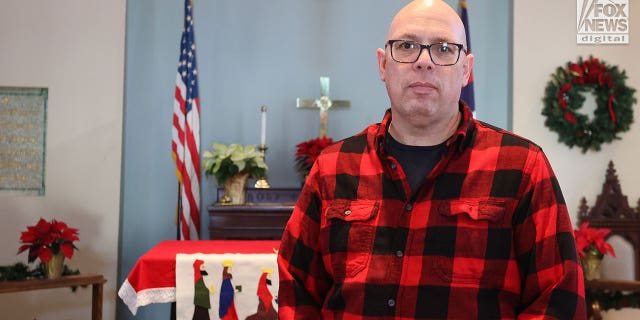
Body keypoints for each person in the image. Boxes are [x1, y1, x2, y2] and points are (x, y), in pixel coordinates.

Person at [277, 0, 586, 319]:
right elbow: (296, 288)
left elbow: (558, 298)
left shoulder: (522, 166)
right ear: (383, 65)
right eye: (407, 46)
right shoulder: (332, 167)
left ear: (466, 70)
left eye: (443, 49)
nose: (424, 61)